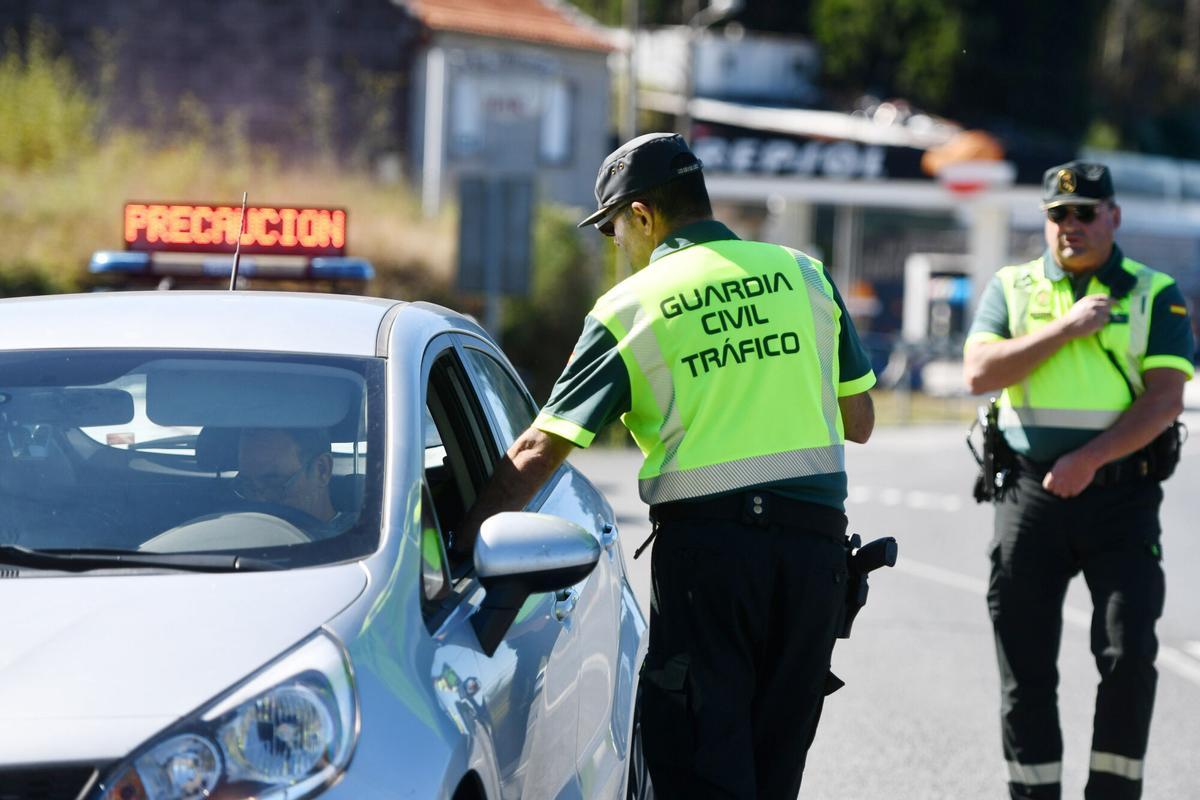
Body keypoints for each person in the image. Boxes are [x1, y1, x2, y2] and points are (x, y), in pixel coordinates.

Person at [454, 132, 877, 798]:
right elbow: (860, 422)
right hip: (813, 562)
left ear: (643, 215)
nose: (616, 246)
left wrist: (461, 545)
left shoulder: (632, 306)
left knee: (699, 766)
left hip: (710, 562)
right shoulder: (805, 275)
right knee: (774, 771)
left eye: (613, 229)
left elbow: (540, 449)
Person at [963, 161, 1194, 800]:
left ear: (1113, 216)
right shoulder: (1011, 288)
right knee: (1024, 663)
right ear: (1045, 220)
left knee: (1127, 655)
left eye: (1086, 212)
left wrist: (1090, 458)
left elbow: (1165, 400)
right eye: (1059, 214)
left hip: (1121, 497)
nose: (1071, 225)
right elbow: (979, 373)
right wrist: (1064, 330)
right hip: (1028, 494)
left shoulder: (1156, 291)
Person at [235, 427, 355, 533]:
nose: (258, 501)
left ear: (322, 470)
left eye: (273, 482)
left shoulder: (359, 538)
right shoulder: (236, 537)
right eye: (247, 485)